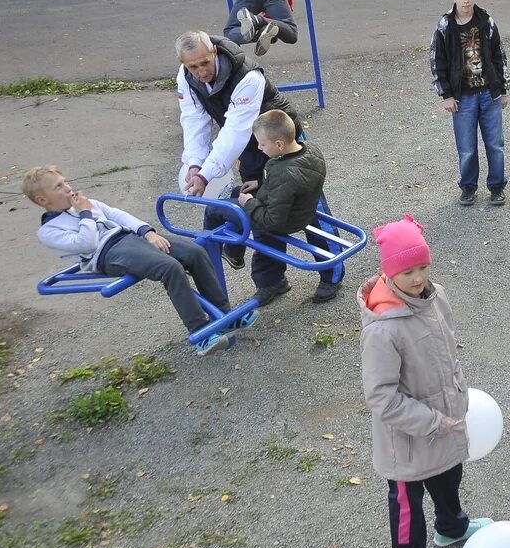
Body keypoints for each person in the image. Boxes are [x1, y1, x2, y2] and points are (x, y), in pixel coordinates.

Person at [359, 215, 493, 548]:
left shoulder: (436, 297)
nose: (418, 278)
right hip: (408, 441)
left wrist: (456, 397)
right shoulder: (383, 330)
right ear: (389, 272)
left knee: (449, 476)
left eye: (422, 267)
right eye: (407, 271)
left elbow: (447, 351)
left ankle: (451, 527)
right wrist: (432, 422)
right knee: (407, 508)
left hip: (444, 423)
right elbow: (381, 398)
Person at [24, 165, 254, 356]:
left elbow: (117, 215)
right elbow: (87, 243)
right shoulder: (49, 231)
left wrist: (148, 232)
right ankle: (201, 333)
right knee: (170, 268)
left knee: (194, 252)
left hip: (130, 238)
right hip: (108, 253)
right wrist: (85, 213)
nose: (68, 188)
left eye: (65, 182)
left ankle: (226, 315)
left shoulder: (86, 203)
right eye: (59, 187)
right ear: (42, 199)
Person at [202, 110, 339, 306]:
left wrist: (248, 203)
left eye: (262, 144)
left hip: (283, 220)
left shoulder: (284, 173)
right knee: (236, 191)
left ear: (279, 145)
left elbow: (271, 219)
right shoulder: (310, 151)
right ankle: (234, 251)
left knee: (215, 209)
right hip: (297, 208)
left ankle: (208, 257)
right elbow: (291, 184)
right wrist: (259, 183)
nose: (259, 148)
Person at [175, 29, 304, 198]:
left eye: (205, 63)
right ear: (183, 62)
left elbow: (236, 130)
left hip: (275, 135)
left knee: (289, 195)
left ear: (214, 50)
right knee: (254, 194)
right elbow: (194, 119)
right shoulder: (185, 77)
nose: (202, 72)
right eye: (193, 67)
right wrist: (194, 163)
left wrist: (205, 175)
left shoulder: (247, 76)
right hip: (251, 141)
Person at [429, 0, 510, 207]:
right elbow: (437, 61)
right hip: (463, 97)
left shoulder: (486, 22)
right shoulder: (445, 26)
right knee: (466, 147)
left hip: (489, 93)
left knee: (495, 143)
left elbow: (499, 56)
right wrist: (446, 94)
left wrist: (503, 89)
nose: (465, 0)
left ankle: (496, 186)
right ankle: (468, 187)